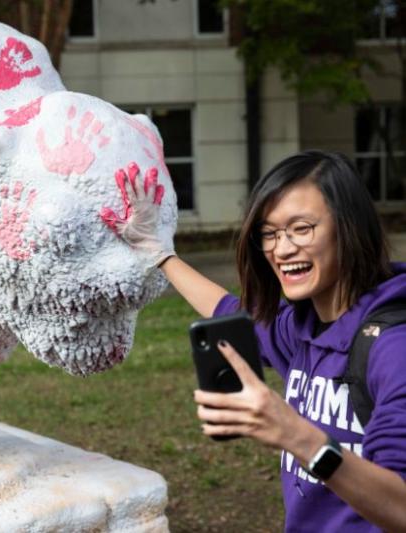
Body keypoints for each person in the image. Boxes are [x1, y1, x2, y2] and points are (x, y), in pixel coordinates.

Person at [105, 150, 406, 532]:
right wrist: (158, 251)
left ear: (350, 227)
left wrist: (298, 436)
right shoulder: (303, 328)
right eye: (270, 233)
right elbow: (228, 310)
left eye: (302, 228)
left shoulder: (394, 346)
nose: (281, 249)